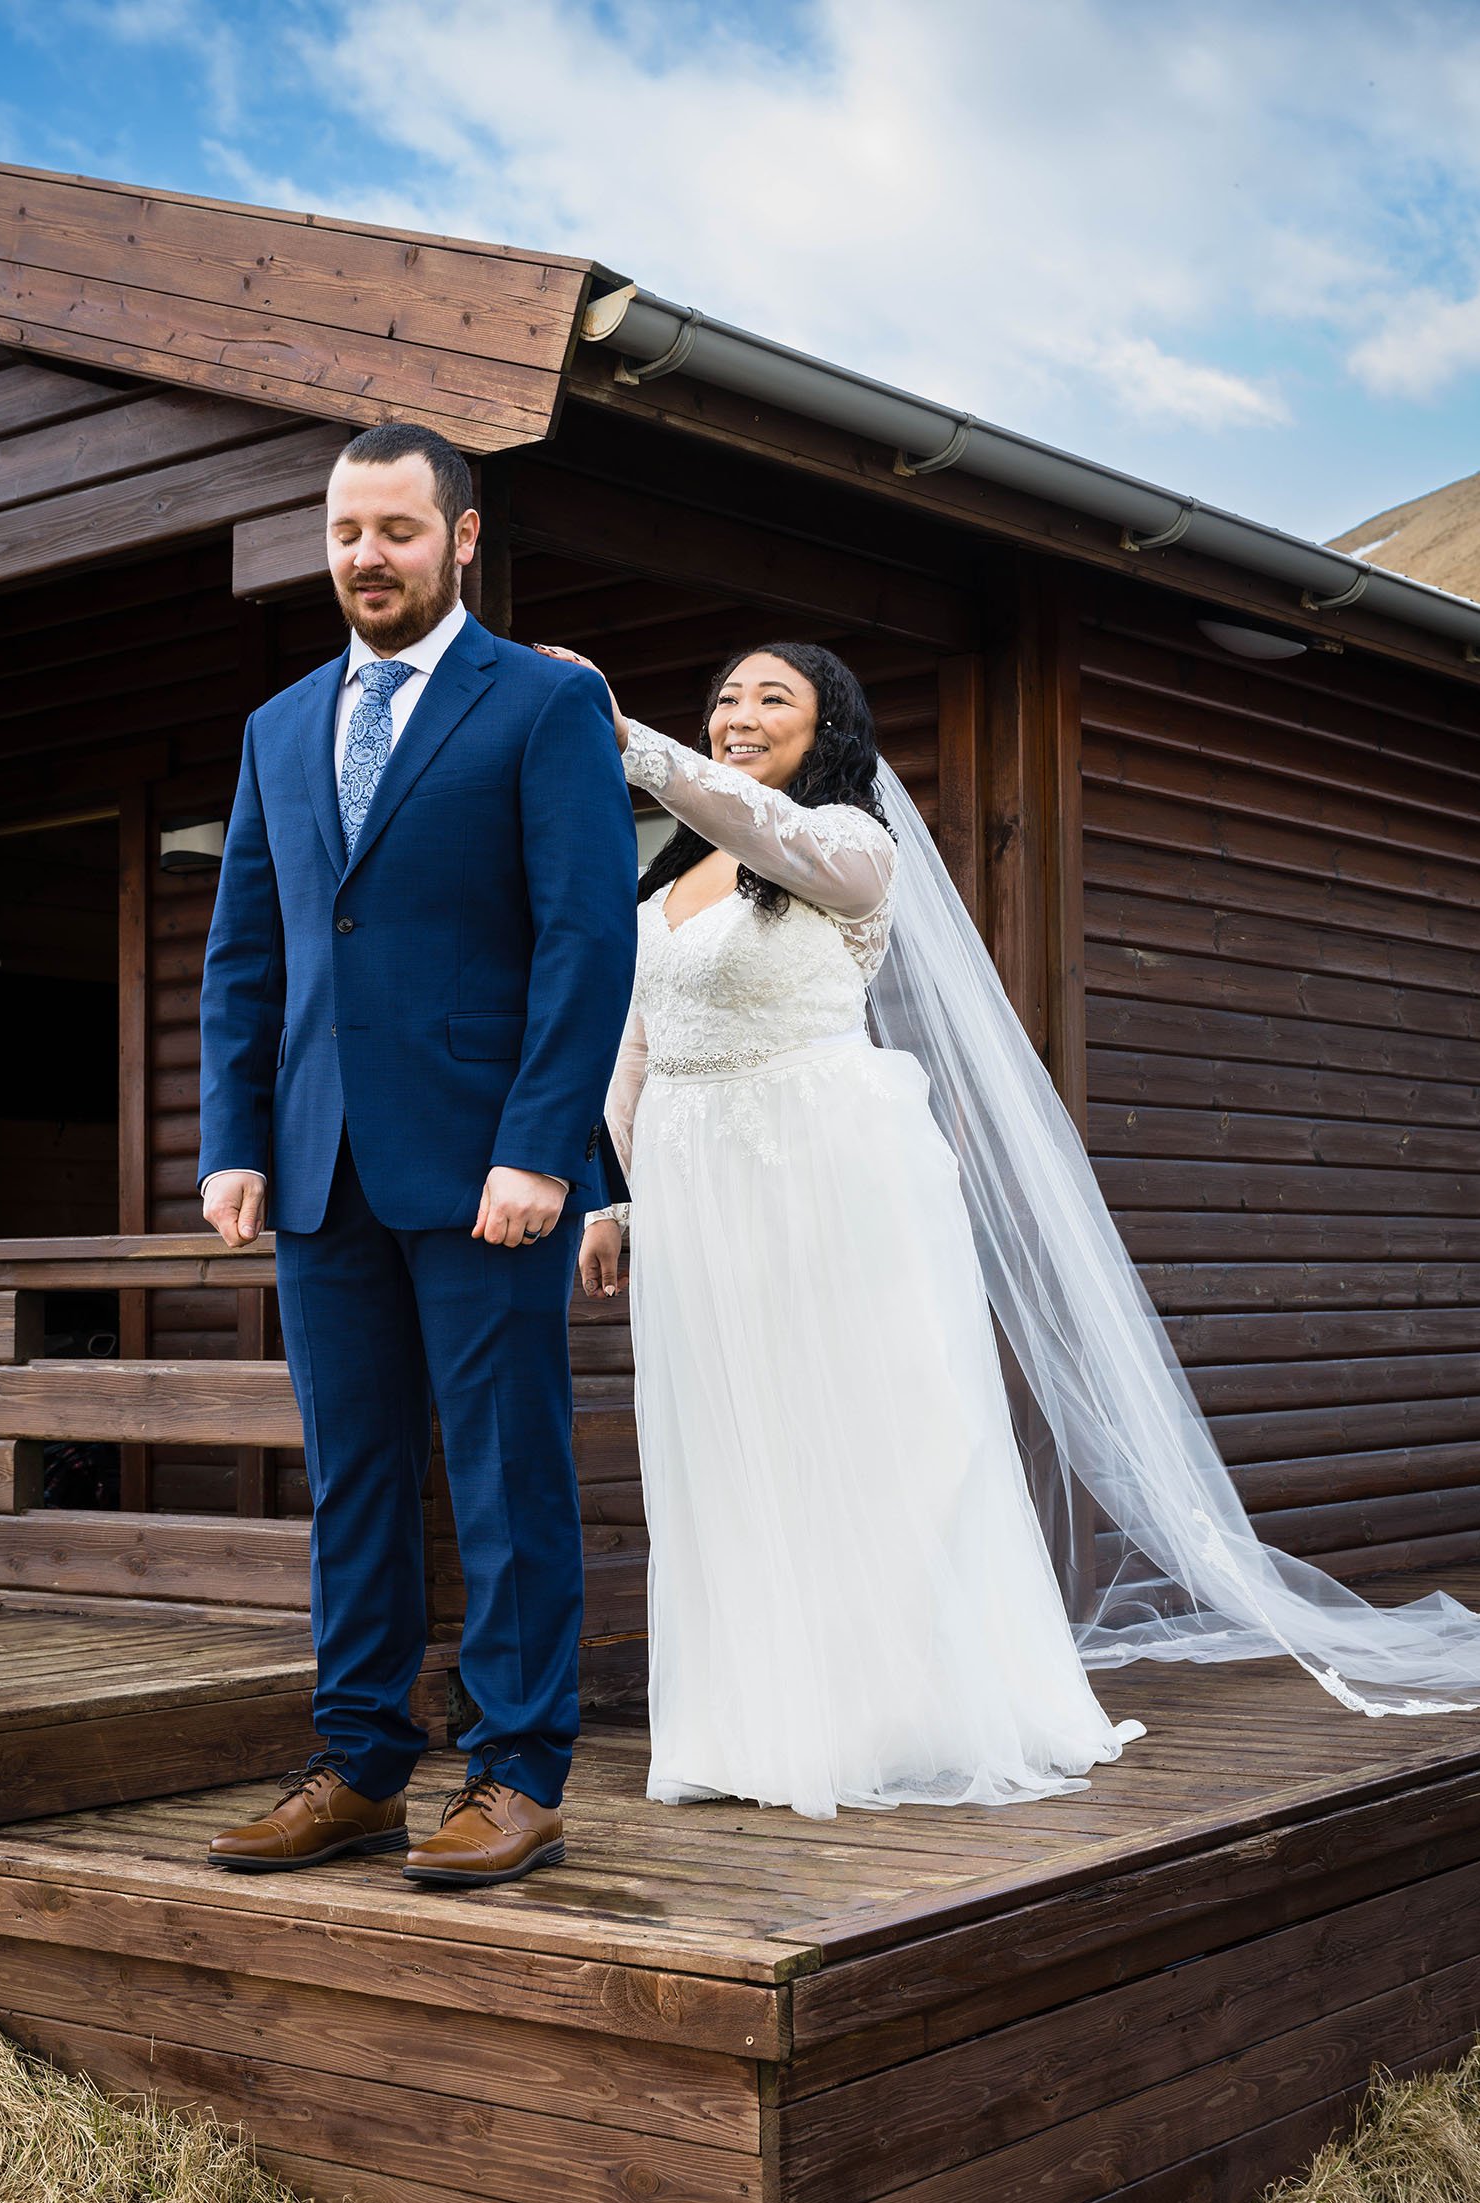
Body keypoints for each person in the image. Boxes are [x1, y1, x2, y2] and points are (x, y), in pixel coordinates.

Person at [543, 637, 1480, 1822]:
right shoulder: (663, 882)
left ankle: (894, 1713)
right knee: (726, 1442)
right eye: (723, 696)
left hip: (824, 1170)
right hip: (696, 1182)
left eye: (770, 699)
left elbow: (767, 833)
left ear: (827, 729)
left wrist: (635, 740)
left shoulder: (851, 847)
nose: (737, 715)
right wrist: (615, 1198)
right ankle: (755, 1721)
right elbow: (634, 1045)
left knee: (866, 1430)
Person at [197, 424, 638, 1886]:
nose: (365, 557)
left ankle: (518, 1770)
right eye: (345, 533)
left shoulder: (541, 704)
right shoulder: (276, 726)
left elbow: (587, 938)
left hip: (485, 1170)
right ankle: (365, 1759)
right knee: (358, 1476)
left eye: (395, 529)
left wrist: (542, 1148)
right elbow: (245, 952)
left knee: (509, 1474)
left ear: (459, 536)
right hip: (318, 1165)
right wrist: (233, 1135)